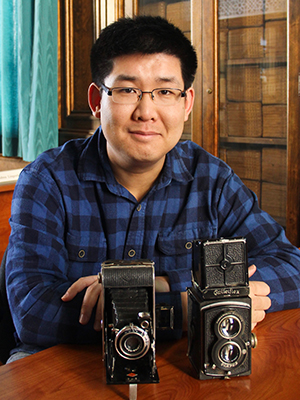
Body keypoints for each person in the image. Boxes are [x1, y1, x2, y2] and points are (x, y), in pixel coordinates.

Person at [5, 16, 300, 363]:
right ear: (97, 100)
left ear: (186, 103)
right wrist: (184, 309)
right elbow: (32, 314)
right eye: (128, 90)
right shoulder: (48, 179)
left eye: (164, 92)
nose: (146, 111)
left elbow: (289, 266)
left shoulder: (211, 178)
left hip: (178, 360)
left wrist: (163, 286)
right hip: (66, 361)